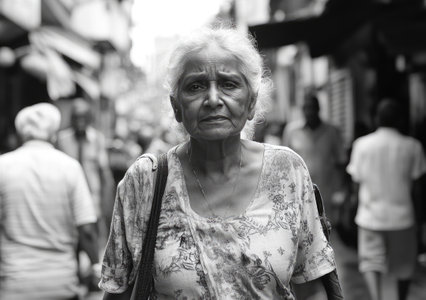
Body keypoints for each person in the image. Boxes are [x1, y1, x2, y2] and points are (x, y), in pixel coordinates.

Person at [99, 26, 337, 299]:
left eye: (229, 84)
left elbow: (311, 287)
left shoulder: (286, 171)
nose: (213, 100)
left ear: (251, 102)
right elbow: (117, 292)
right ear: (177, 106)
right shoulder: (145, 181)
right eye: (196, 86)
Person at [0, 103, 100, 300]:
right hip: (62, 285)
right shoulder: (70, 168)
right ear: (53, 135)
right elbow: (86, 229)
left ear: (20, 135)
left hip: (14, 287)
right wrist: (95, 267)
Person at [346, 99, 426, 300]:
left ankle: (376, 298)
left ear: (376, 119)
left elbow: (356, 186)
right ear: (399, 120)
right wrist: (419, 218)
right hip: (403, 218)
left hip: (369, 217)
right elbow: (418, 189)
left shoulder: (361, 145)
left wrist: (352, 209)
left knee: (371, 262)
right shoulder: (413, 146)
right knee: (404, 267)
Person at [282, 94, 347, 225]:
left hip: (326, 193)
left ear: (319, 109)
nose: (309, 112)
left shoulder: (332, 131)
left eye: (312, 108)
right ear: (302, 110)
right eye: (306, 108)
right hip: (299, 192)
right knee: (303, 231)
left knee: (325, 231)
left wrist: (340, 190)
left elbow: (341, 162)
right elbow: (284, 164)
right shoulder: (291, 131)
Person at [57, 98, 115, 233]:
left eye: (83, 118)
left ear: (89, 119)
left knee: (91, 234)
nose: (79, 122)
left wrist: (107, 201)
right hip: (67, 197)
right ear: (71, 119)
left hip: (91, 198)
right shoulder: (62, 139)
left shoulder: (97, 139)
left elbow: (104, 171)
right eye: (76, 118)